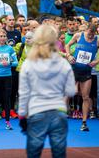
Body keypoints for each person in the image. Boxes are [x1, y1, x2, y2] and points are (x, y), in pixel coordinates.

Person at [18, 25, 75, 158]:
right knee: (59, 153)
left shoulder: (28, 64)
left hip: (36, 111)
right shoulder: (63, 63)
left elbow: (24, 94)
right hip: (59, 112)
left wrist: (22, 116)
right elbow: (71, 90)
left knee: (33, 153)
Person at [66, 24, 99, 131]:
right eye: (89, 34)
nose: (91, 36)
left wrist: (96, 62)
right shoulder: (78, 36)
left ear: (96, 32)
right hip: (74, 69)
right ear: (87, 30)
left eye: (93, 34)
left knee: (85, 97)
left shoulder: (98, 41)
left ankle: (84, 123)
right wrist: (68, 55)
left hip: (86, 71)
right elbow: (67, 45)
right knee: (68, 93)